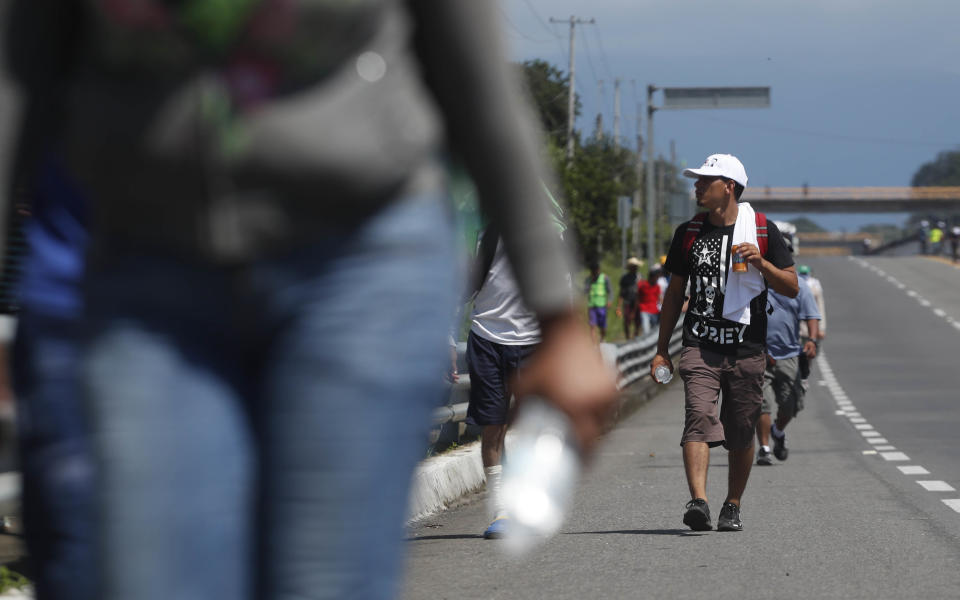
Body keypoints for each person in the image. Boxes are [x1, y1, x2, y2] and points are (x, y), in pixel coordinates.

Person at [5, 3, 619, 599]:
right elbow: (19, 75)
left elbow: (474, 71)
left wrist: (558, 317)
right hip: (144, 266)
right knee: (150, 571)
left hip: (356, 263)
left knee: (321, 577)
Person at [650, 154, 797, 532]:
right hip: (700, 343)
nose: (696, 187)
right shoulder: (688, 232)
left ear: (728, 187)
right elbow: (674, 294)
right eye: (697, 181)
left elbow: (792, 287)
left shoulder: (763, 231)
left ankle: (732, 504)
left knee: (741, 430)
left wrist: (762, 263)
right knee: (698, 417)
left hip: (747, 347)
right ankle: (698, 500)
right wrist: (662, 348)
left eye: (705, 181)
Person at [464, 221, 550, 539]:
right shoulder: (478, 231)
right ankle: (500, 509)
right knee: (493, 425)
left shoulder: (544, 229)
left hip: (531, 340)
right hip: (486, 336)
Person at [755, 277, 820, 465]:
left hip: (789, 354)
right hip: (760, 353)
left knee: (790, 405)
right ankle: (764, 448)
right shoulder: (755, 283)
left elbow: (812, 315)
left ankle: (778, 430)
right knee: (762, 403)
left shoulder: (799, 285)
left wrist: (812, 340)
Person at [616, 257, 643, 339]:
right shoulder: (625, 278)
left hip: (637, 301)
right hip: (628, 301)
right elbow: (621, 293)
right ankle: (628, 337)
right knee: (627, 320)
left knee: (638, 321)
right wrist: (619, 306)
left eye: (636, 266)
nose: (635, 268)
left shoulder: (639, 277)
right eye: (633, 266)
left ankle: (636, 336)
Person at [585, 262, 612, 342]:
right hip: (591, 305)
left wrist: (609, 301)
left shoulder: (605, 278)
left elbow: (610, 291)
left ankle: (602, 339)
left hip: (602, 305)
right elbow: (585, 291)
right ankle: (594, 344)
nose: (593, 273)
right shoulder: (588, 279)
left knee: (602, 326)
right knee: (592, 325)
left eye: (595, 271)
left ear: (598, 270)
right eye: (592, 271)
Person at [636, 268, 662, 336]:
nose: (657, 279)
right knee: (646, 330)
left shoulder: (657, 286)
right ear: (651, 277)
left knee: (654, 331)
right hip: (644, 310)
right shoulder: (642, 285)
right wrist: (636, 308)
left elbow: (660, 298)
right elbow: (637, 296)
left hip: (655, 311)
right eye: (656, 277)